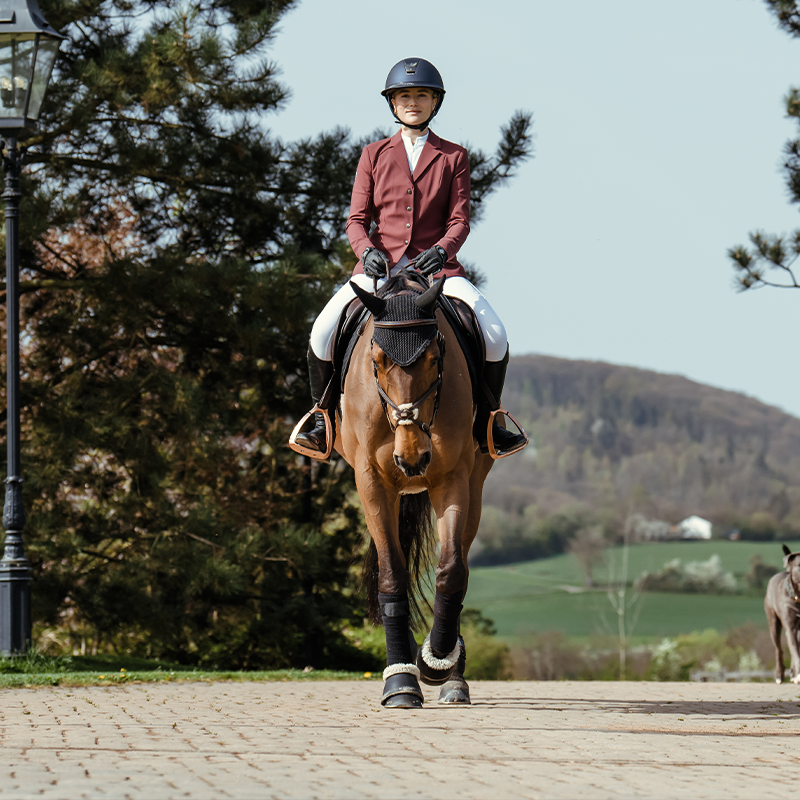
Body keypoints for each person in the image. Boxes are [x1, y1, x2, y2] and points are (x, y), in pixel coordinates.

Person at [293, 57, 526, 459]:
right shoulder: (373, 154)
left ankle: (490, 421)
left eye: (421, 95)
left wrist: (442, 251)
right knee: (322, 330)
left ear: (435, 102)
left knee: (495, 334)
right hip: (380, 271)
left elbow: (460, 221)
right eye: (404, 96)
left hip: (436, 272)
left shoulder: (454, 156)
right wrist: (366, 252)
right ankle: (322, 419)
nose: (412, 102)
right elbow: (356, 220)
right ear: (393, 103)